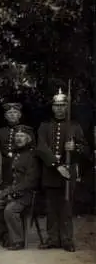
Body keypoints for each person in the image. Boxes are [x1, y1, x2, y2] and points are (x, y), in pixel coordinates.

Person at [36, 89, 90, 252]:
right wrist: (56, 165)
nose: (59, 108)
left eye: (62, 105)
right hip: (51, 171)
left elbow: (86, 149)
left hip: (69, 171)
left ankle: (67, 239)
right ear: (52, 107)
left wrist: (75, 147)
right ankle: (52, 239)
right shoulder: (44, 126)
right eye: (56, 105)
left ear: (67, 107)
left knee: (66, 206)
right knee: (51, 207)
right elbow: (41, 148)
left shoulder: (74, 126)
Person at [0, 125, 40, 250]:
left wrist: (11, 191)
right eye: (17, 136)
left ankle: (18, 241)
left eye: (22, 136)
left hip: (27, 194)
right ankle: (3, 233)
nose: (19, 139)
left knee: (10, 210)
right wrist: (4, 191)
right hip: (12, 190)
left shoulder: (33, 156)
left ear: (28, 138)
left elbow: (30, 181)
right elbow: (8, 177)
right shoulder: (14, 155)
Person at [0, 102, 24, 186]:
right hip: (4, 166)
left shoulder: (27, 131)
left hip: (20, 165)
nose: (12, 115)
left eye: (15, 112)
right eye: (10, 113)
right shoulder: (0, 132)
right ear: (5, 116)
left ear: (19, 115)